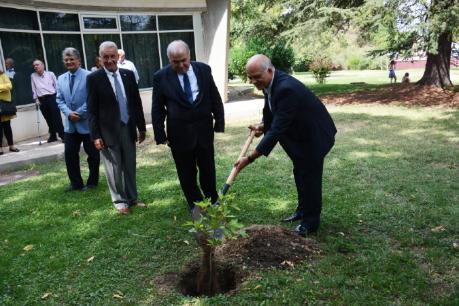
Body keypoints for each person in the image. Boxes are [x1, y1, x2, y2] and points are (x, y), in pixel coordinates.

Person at [234, 54, 337, 237]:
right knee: (300, 172)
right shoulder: (269, 84)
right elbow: (275, 111)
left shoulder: (286, 88)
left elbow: (277, 131)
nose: (254, 81)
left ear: (270, 70)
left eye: (257, 76)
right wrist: (263, 125)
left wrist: (249, 159)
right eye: (250, 77)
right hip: (300, 135)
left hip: (314, 137)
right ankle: (303, 209)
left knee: (310, 177)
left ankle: (310, 223)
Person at [152, 40, 225, 211]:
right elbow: (157, 107)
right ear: (169, 59)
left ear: (189, 56)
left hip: (204, 130)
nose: (181, 65)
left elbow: (214, 96)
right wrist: (160, 134)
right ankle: (195, 203)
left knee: (208, 167)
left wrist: (219, 122)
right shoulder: (160, 77)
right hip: (179, 134)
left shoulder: (204, 70)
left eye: (183, 60)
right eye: (175, 62)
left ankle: (212, 199)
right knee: (186, 171)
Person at [87, 41, 147, 215]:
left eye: (113, 56)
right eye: (105, 57)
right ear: (100, 58)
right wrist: (95, 135)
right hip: (107, 132)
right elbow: (91, 109)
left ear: (118, 57)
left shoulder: (128, 75)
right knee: (114, 168)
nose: (110, 60)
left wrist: (141, 128)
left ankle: (132, 198)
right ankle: (120, 201)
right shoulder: (93, 78)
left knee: (129, 165)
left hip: (128, 127)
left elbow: (136, 104)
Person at [56, 47, 100, 192]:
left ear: (79, 60)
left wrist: (79, 113)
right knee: (70, 154)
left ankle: (92, 183)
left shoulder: (89, 76)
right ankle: (76, 183)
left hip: (87, 123)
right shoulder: (61, 78)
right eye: (66, 60)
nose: (69, 62)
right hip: (70, 125)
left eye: (71, 59)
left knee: (93, 155)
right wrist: (69, 113)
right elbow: (59, 99)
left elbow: (92, 99)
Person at [31, 59, 64, 142]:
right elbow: (33, 88)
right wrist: (36, 99)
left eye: (37, 65)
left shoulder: (50, 74)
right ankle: (53, 135)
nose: (35, 67)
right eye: (34, 65)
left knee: (56, 117)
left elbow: (57, 86)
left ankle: (63, 135)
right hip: (42, 99)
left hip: (52, 97)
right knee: (48, 118)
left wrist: (58, 97)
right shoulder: (33, 76)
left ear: (43, 65)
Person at [0, 66, 20, 154]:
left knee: (7, 126)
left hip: (4, 104)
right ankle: (0, 149)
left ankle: (11, 146)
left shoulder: (2, 75)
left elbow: (9, 85)